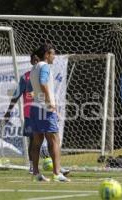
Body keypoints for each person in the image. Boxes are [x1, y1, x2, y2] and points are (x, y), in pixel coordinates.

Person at [30, 43, 70, 182]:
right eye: (53, 53)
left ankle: (36, 173)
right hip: (44, 108)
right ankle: (57, 173)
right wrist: (49, 101)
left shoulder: (34, 67)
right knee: (54, 140)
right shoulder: (45, 66)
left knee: (37, 141)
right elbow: (43, 82)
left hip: (35, 107)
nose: (54, 56)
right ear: (47, 54)